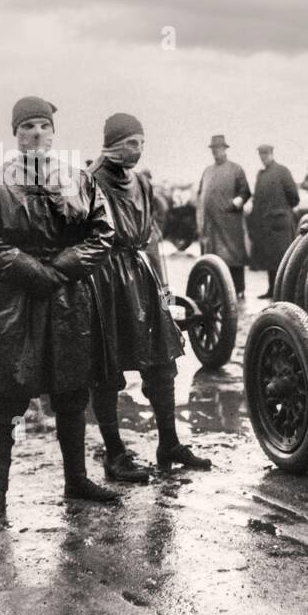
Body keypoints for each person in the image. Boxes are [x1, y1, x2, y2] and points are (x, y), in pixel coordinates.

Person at [0, 95, 118, 521]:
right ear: (14, 134)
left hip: (68, 300)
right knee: (3, 398)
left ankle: (77, 479)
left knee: (71, 392)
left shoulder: (79, 179)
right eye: (27, 126)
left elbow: (102, 234)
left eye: (43, 126)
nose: (36, 133)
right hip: (14, 301)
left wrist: (64, 266)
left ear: (53, 132)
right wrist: (31, 270)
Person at [84, 112, 211, 484]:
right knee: (106, 370)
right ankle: (115, 454)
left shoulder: (140, 182)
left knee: (161, 361)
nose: (138, 151)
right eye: (131, 144)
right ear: (112, 144)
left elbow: (151, 235)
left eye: (142, 143)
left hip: (140, 276)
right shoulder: (90, 182)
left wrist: (163, 285)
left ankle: (168, 443)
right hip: (104, 280)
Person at [196, 134, 252, 299]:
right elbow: (201, 194)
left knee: (233, 257)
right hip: (211, 224)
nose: (215, 152)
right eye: (213, 149)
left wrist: (237, 202)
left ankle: (238, 290)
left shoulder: (236, 169)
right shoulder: (207, 171)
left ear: (224, 149)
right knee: (213, 257)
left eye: (218, 148)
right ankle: (215, 291)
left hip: (230, 223)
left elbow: (245, 191)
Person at [248, 143, 300, 297]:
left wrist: (281, 210)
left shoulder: (282, 171)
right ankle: (272, 290)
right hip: (266, 224)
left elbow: (294, 197)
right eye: (261, 155)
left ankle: (284, 292)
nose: (263, 158)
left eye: (265, 154)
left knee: (282, 260)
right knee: (270, 260)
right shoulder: (261, 175)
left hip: (280, 224)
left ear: (271, 154)